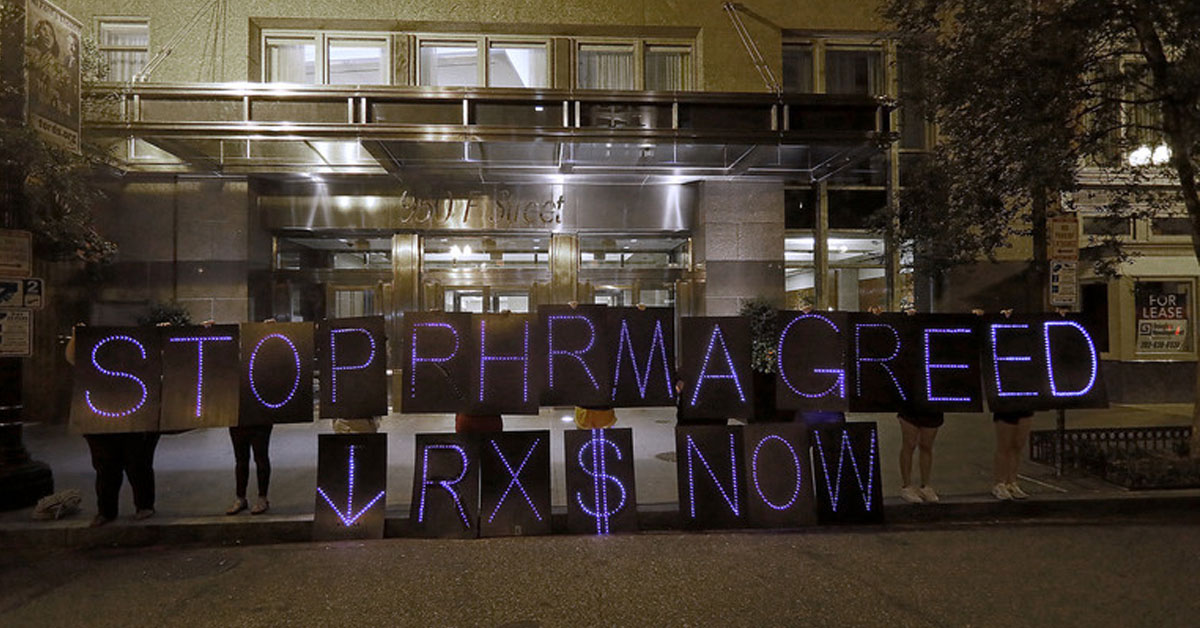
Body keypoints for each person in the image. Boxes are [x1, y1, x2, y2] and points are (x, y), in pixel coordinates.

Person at [69, 324, 160, 527]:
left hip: (123, 417)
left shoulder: (124, 364)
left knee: (135, 464)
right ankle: (113, 509)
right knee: (109, 467)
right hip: (107, 419)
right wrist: (78, 338)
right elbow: (74, 357)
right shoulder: (130, 362)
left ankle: (124, 509)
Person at [227, 318, 274, 515]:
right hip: (238, 415)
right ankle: (241, 498)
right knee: (241, 459)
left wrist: (271, 332)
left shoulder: (262, 358)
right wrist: (208, 333)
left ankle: (262, 497)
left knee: (260, 457)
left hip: (259, 414)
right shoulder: (231, 361)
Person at [896, 410, 943, 503]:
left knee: (926, 446)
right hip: (910, 409)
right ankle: (907, 486)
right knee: (909, 444)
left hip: (932, 410)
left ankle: (925, 486)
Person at [992, 410, 1034, 500]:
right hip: (1005, 409)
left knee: (1018, 445)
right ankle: (999, 484)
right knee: (1004, 446)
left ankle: (1011, 483)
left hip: (1025, 407)